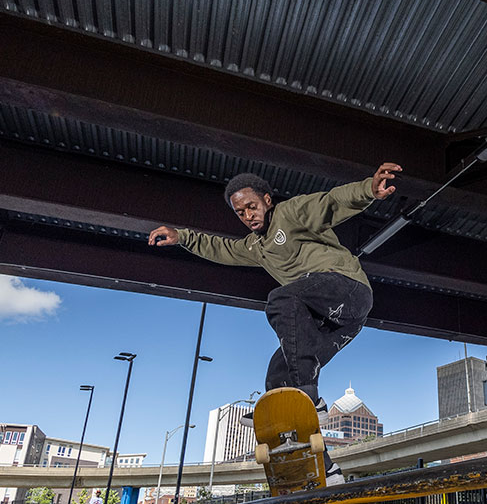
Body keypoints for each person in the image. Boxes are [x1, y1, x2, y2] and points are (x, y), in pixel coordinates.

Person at [149, 163, 402, 483]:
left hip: (347, 291)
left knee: (281, 299)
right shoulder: (255, 247)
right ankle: (326, 468)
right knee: (277, 375)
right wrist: (182, 237)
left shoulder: (292, 212)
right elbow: (221, 248)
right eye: (240, 213)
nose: (247, 216)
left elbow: (331, 203)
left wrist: (369, 189)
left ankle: (309, 397)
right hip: (339, 323)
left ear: (267, 200)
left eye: (251, 206)